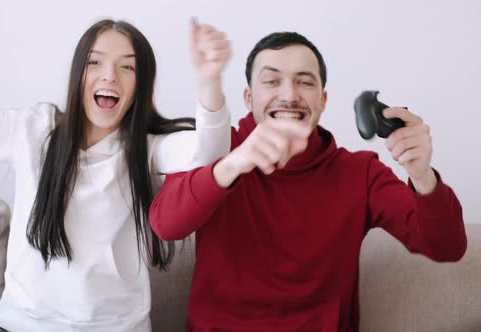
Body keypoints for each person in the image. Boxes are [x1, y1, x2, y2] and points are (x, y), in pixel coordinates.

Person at [0, 1, 232, 331]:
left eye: (127, 66)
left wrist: (210, 82)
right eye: (95, 62)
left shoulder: (147, 148)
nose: (109, 75)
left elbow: (210, 153)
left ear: (140, 85)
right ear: (77, 74)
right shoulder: (32, 129)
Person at [149, 30, 467, 331]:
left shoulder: (360, 172)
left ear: (322, 101)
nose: (289, 95)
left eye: (304, 82)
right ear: (248, 97)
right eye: (272, 81)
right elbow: (166, 225)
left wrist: (422, 175)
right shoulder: (214, 149)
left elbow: (446, 247)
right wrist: (234, 163)